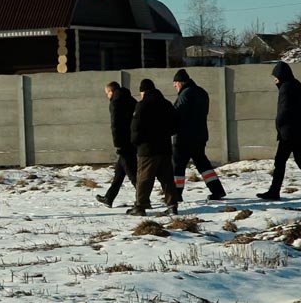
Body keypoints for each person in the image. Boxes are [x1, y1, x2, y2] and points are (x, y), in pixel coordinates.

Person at [257, 62, 301, 200]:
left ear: (281, 75)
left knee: (280, 161)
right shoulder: (296, 84)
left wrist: (279, 125)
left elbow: (284, 110)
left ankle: (274, 192)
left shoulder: (286, 88)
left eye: (275, 76)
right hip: (298, 129)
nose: (274, 79)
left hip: (289, 131)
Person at [171, 69, 226, 201]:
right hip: (200, 135)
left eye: (175, 83)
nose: (174, 86)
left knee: (178, 166)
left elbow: (177, 114)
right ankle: (217, 190)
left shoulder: (185, 94)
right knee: (203, 164)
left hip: (184, 137)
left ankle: (175, 194)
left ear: (180, 82)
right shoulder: (201, 92)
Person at [127, 79, 179, 216]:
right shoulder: (166, 104)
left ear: (143, 91)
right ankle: (172, 205)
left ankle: (140, 206)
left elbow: (135, 128)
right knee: (167, 178)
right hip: (165, 147)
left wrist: (135, 143)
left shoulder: (142, 105)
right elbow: (175, 125)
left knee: (144, 178)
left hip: (147, 149)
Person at [95, 81, 138, 208]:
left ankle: (143, 198)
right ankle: (109, 197)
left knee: (131, 172)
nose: (107, 96)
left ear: (111, 91)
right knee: (120, 172)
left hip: (123, 142)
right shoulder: (131, 99)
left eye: (107, 93)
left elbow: (115, 125)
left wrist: (117, 143)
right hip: (133, 139)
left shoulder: (115, 102)